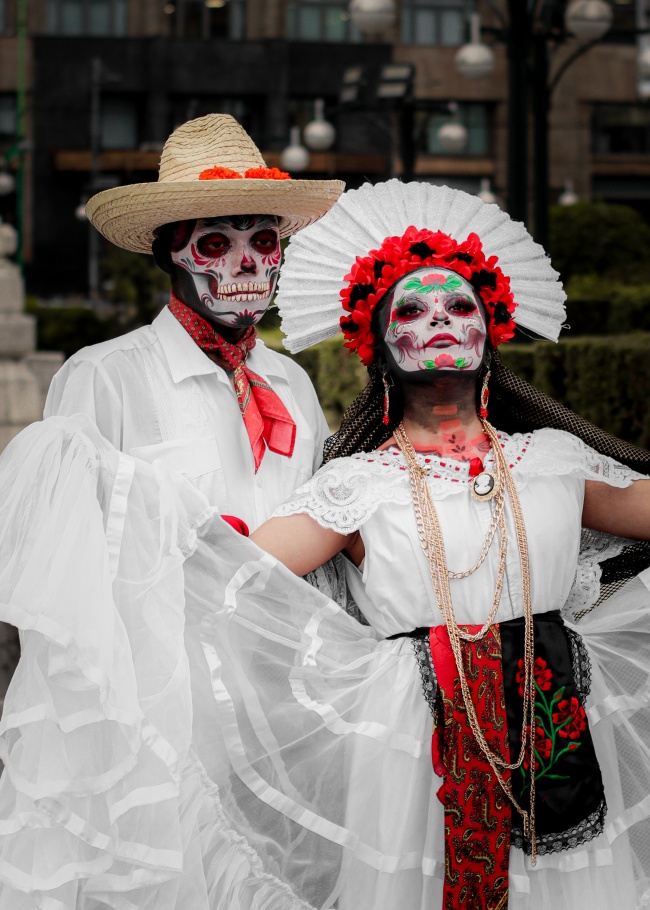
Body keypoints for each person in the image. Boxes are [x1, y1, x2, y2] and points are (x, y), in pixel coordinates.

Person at [0, 180, 648, 910]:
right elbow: (208, 565)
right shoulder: (115, 380)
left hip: (534, 728)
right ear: (170, 253)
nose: (438, 321)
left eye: (460, 304)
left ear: (492, 324)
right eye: (215, 243)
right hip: (195, 703)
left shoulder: (300, 388)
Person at [45, 112, 344, 531]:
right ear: (168, 257)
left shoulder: (290, 381)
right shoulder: (104, 377)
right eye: (216, 243)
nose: (245, 264)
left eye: (262, 241)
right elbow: (66, 535)